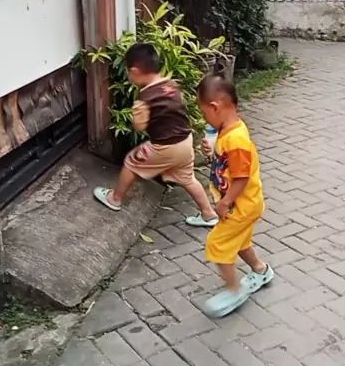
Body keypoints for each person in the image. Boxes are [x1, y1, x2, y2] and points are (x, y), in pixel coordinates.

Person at [94, 43, 218, 226]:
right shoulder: (171, 86)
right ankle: (209, 214)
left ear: (135, 71)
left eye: (128, 72)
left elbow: (140, 127)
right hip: (185, 141)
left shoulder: (145, 98)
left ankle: (115, 198)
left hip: (165, 146)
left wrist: (137, 113)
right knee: (187, 178)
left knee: (131, 163)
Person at [195, 73, 274, 318]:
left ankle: (233, 289)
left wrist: (225, 202)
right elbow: (227, 163)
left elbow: (241, 177)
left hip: (240, 206)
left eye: (204, 113)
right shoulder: (228, 130)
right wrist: (211, 150)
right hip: (245, 204)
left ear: (215, 107)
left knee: (218, 243)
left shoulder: (236, 139)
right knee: (239, 242)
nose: (204, 118)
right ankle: (261, 270)